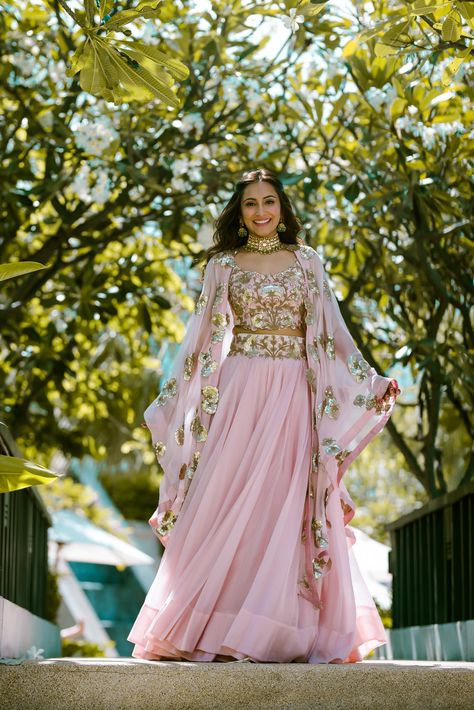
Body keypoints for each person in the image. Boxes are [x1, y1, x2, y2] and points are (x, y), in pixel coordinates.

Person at [127, 168, 400, 664]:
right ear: (240, 211)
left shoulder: (307, 262)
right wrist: (177, 399)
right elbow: (201, 339)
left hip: (295, 391)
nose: (260, 212)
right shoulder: (222, 266)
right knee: (228, 500)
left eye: (268, 201)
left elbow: (335, 332)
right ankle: (217, 623)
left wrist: (372, 378)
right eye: (250, 204)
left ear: (282, 207)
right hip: (240, 392)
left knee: (285, 501)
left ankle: (285, 628)